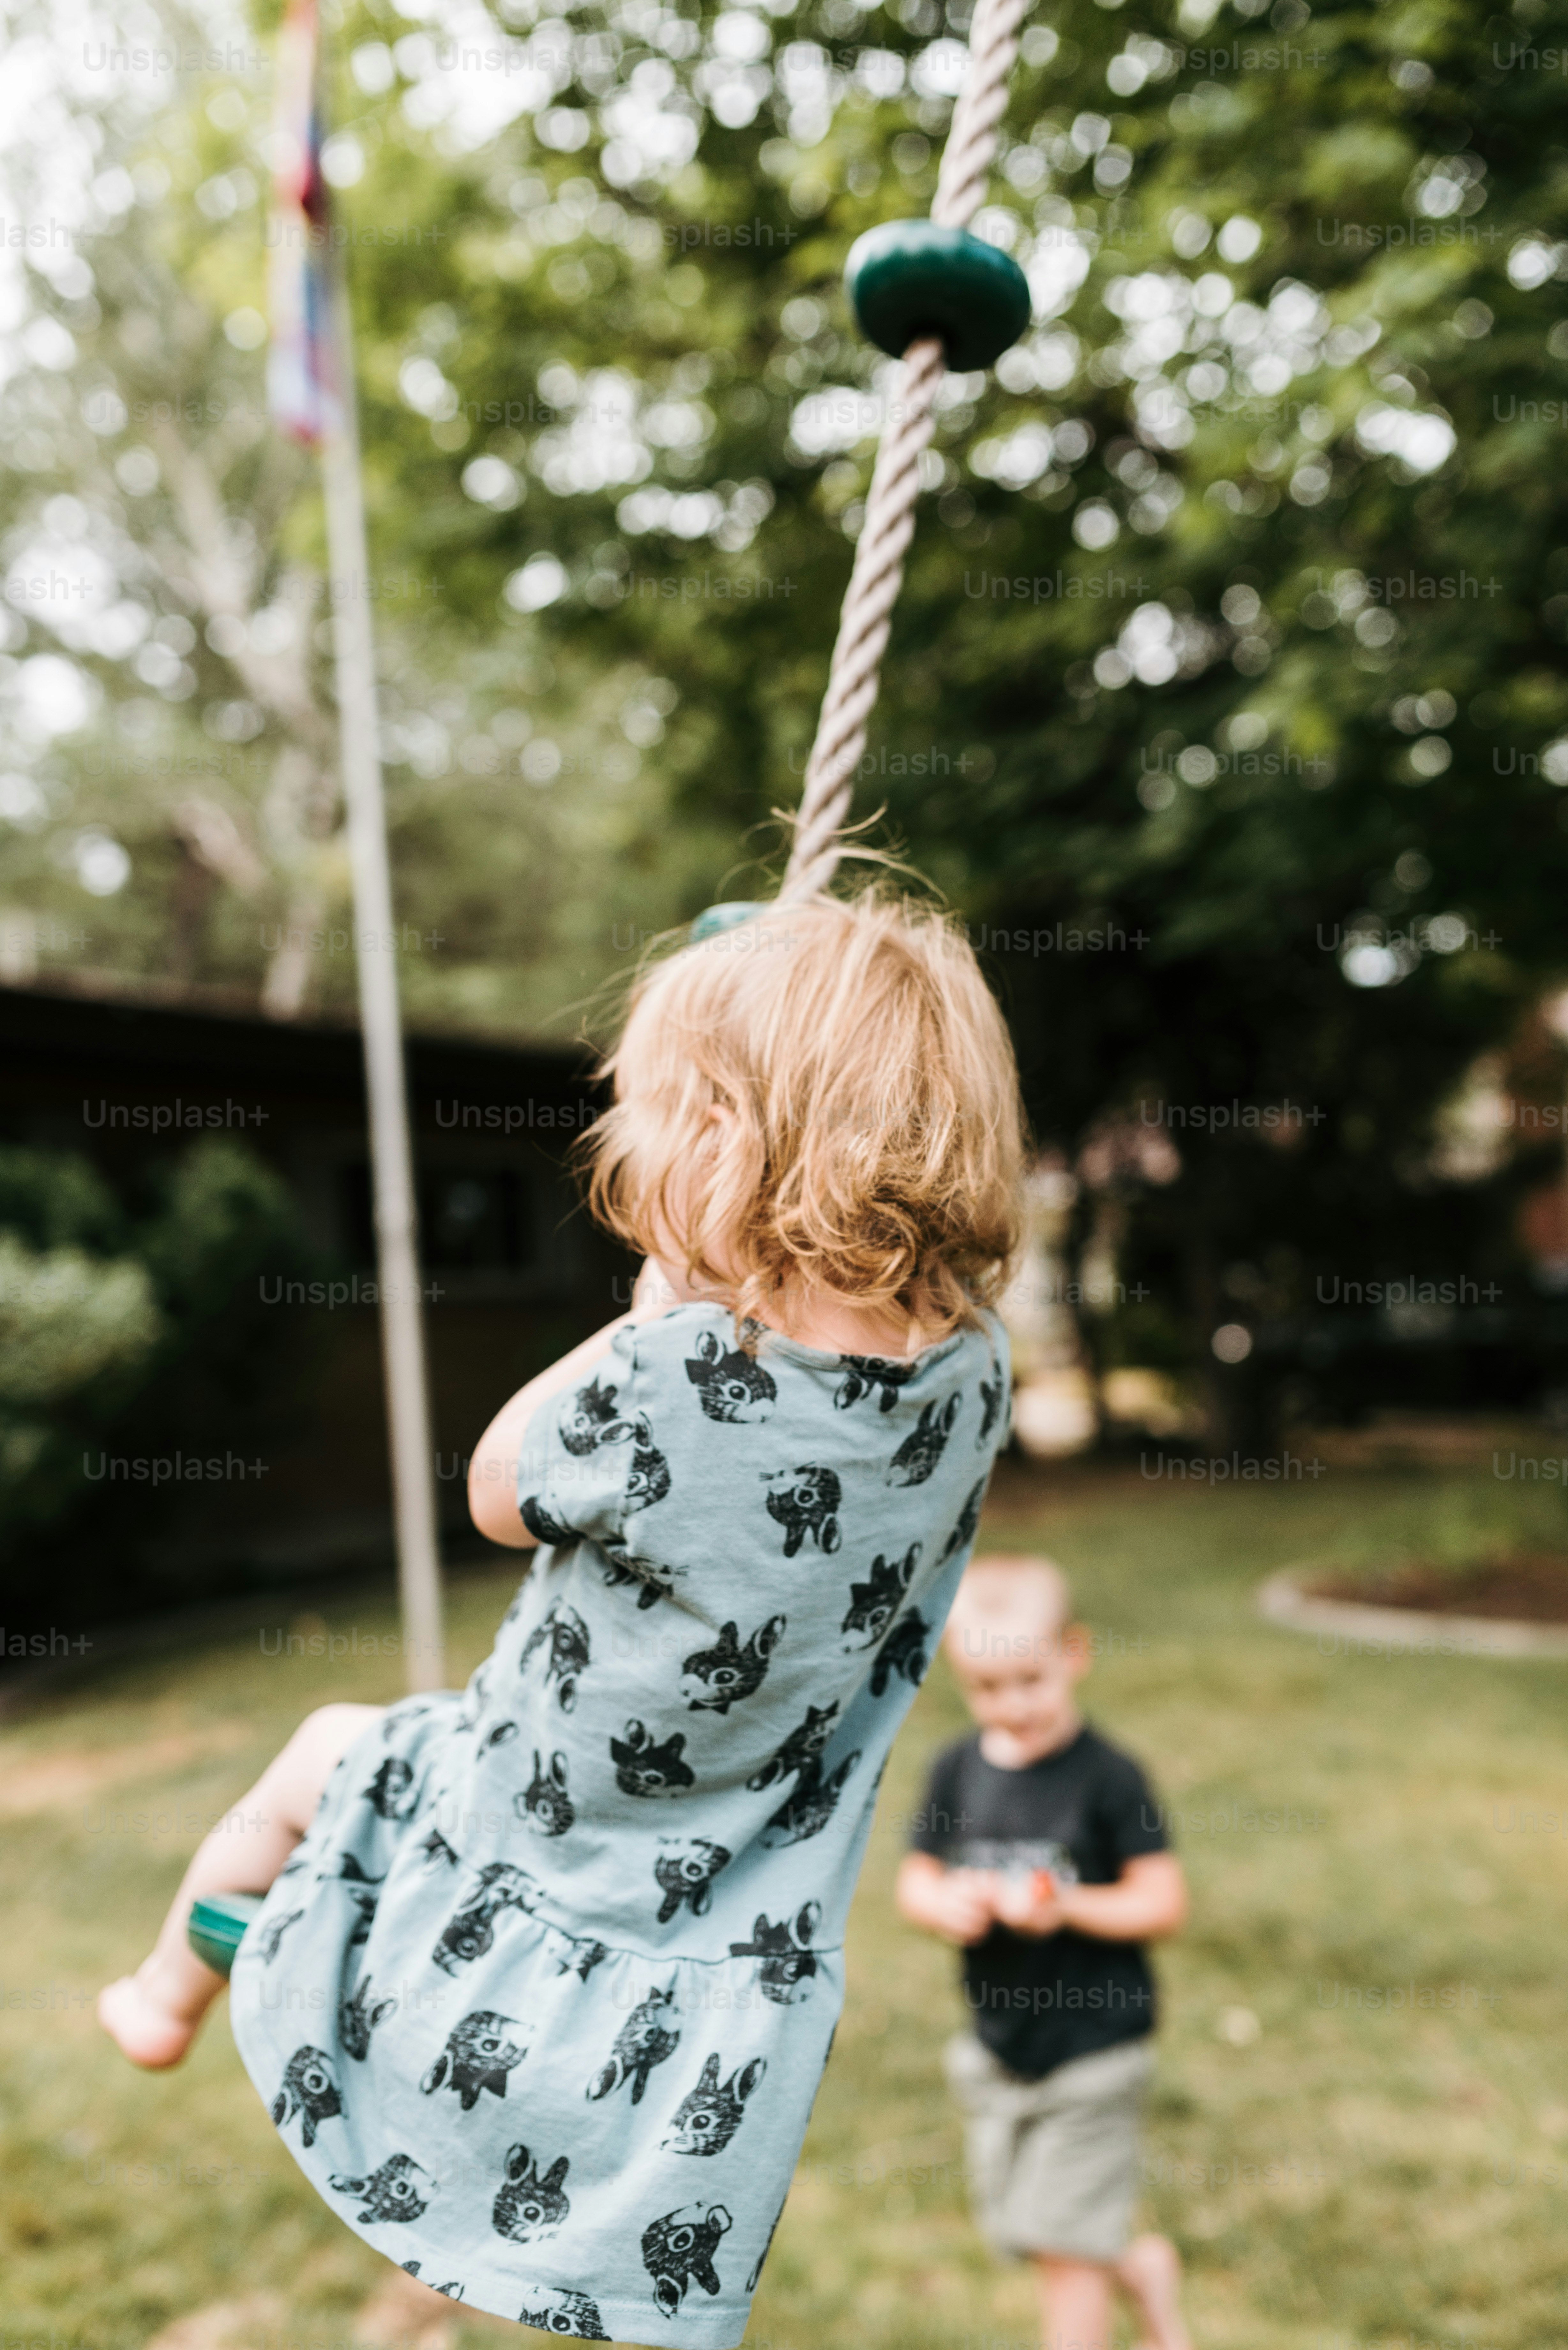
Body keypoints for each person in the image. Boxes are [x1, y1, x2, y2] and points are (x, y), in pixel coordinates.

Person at [99, 889, 1024, 2350]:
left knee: (321, 1755)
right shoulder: (971, 1373)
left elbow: (494, 1485)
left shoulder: (675, 1369)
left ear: (726, 1134)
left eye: (650, 1106)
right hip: (732, 1851)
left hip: (531, 1794)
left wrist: (652, 1315)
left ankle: (166, 1988)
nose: (619, 1135)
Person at [897, 1553, 1192, 2350]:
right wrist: (944, 1904)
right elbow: (915, 1878)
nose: (1011, 1704)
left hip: (1094, 2047)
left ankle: (1104, 2281)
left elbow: (1161, 1902)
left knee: (1064, 2250)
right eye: (987, 1687)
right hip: (996, 2046)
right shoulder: (956, 1768)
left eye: (1029, 1678)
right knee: (1029, 2227)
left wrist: (1063, 1905)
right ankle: (1140, 2268)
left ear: (1073, 1653)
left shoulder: (1107, 1777)